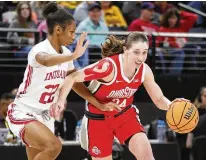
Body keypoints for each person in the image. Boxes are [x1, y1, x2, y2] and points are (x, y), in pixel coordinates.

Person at [6, 2, 119, 160]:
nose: (74, 36)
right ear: (58, 30)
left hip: (45, 115)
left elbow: (75, 82)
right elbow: (45, 60)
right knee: (54, 146)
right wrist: (73, 56)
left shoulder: (65, 53)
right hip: (24, 111)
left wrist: (98, 103)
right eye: (72, 32)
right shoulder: (39, 50)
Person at [54, 32, 189, 160]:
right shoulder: (108, 67)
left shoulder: (144, 70)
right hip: (98, 119)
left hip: (124, 116)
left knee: (147, 157)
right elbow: (71, 77)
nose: (141, 58)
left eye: (144, 52)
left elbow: (159, 99)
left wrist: (171, 105)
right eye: (136, 52)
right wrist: (60, 100)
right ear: (125, 49)